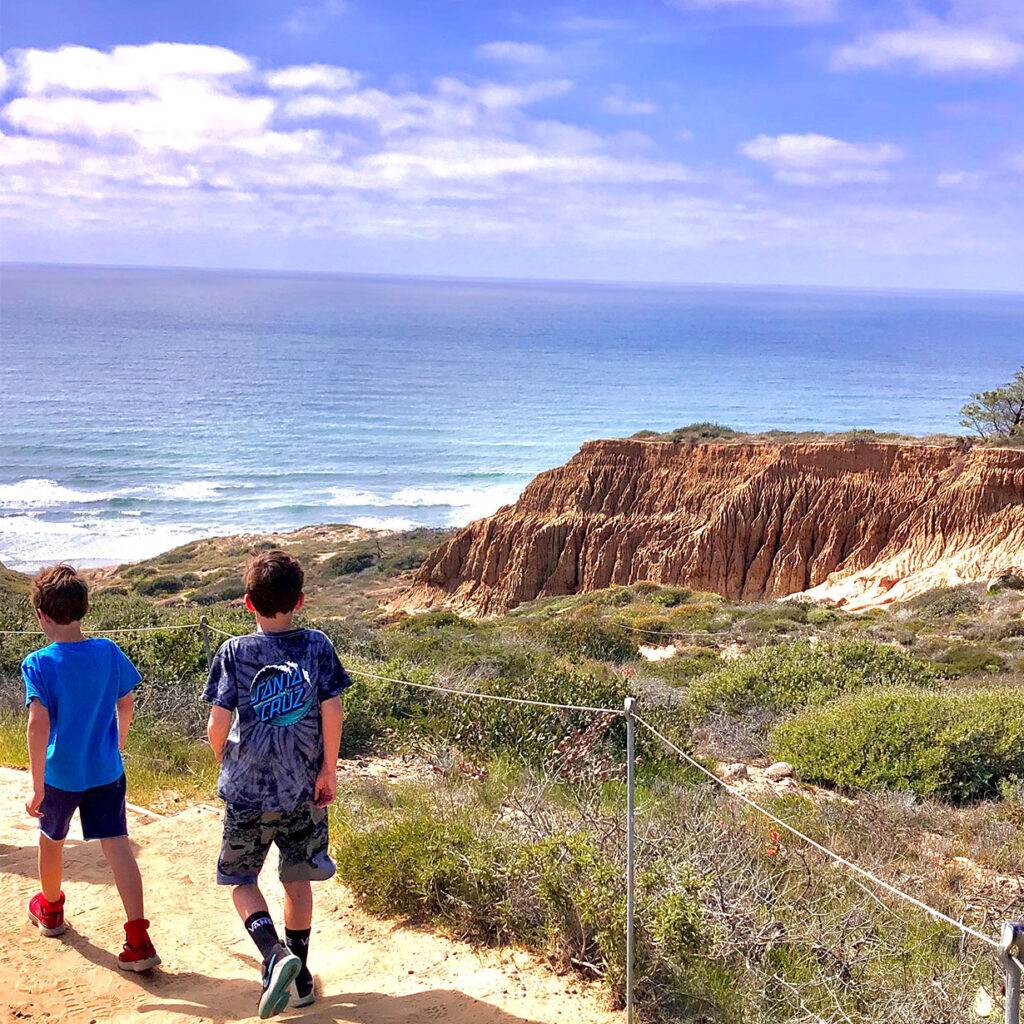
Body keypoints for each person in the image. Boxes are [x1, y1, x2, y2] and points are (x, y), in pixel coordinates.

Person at [204, 549, 350, 1019]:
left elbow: (217, 726)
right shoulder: (318, 646)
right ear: (301, 600)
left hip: (249, 789)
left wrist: (223, 760)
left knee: (241, 879)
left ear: (248, 603)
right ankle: (301, 976)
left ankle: (272, 953)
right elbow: (333, 709)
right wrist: (328, 769)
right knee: (297, 877)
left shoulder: (235, 652)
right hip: (305, 787)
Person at [23, 563, 160, 971]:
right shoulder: (108, 652)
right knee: (117, 843)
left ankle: (50, 910)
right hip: (106, 770)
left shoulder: (38, 663)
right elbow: (126, 702)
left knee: (52, 840)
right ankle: (138, 936)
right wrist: (116, 742)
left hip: (60, 773)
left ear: (42, 615)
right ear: (84, 609)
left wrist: (36, 785)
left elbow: (37, 725)